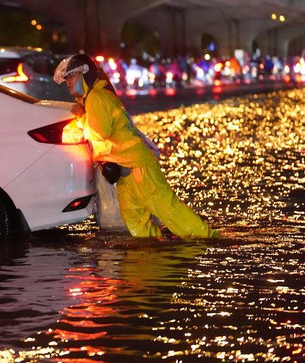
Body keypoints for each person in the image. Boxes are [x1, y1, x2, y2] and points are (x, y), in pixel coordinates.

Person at [54, 53, 219, 239]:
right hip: (127, 170)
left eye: (71, 76)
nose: (68, 82)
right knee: (134, 218)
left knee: (168, 209)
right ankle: (151, 255)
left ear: (84, 74)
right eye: (66, 78)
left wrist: (81, 118)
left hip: (138, 166)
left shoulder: (97, 98)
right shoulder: (94, 98)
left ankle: (208, 240)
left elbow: (100, 132)